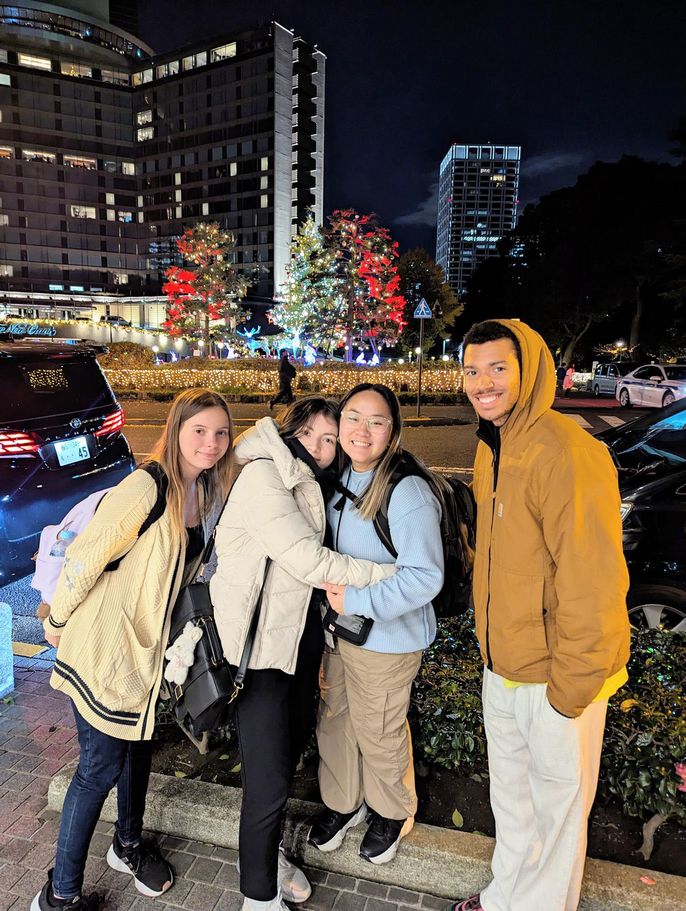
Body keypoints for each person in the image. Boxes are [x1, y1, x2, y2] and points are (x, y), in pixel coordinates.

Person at [448, 320, 630, 911]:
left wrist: (568, 692)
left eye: (498, 367)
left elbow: (593, 577)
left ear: (530, 372)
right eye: (472, 370)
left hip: (556, 678)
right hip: (502, 667)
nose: (482, 382)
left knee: (556, 818)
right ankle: (503, 898)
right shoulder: (491, 446)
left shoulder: (568, 450)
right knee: (513, 802)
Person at [32, 389, 236, 911]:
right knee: (98, 768)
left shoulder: (206, 493)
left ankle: (126, 845)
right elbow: (86, 556)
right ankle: (60, 895)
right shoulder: (148, 486)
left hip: (145, 658)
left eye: (220, 433)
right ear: (175, 430)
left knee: (136, 754)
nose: (210, 443)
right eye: (198, 431)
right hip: (106, 647)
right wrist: (55, 621)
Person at [210, 396, 396, 911]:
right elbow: (306, 559)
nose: (319, 445)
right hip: (261, 656)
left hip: (296, 651)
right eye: (311, 432)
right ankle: (257, 898)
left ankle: (268, 861)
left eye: (330, 438)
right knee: (267, 783)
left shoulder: (309, 480)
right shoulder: (264, 476)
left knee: (285, 763)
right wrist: (393, 577)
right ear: (289, 428)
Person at [308, 383, 444, 866]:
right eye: (353, 418)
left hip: (387, 639)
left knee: (380, 728)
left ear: (393, 431)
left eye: (377, 421)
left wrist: (359, 600)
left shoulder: (406, 490)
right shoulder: (341, 477)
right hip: (339, 633)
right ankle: (342, 802)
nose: (362, 430)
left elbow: (426, 576)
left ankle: (391, 811)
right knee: (337, 719)